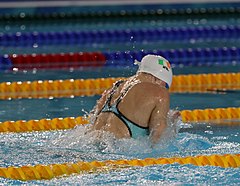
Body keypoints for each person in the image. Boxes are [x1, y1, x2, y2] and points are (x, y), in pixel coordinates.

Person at [89, 54, 180, 144]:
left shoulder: (113, 89)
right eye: (165, 85)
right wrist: (172, 127)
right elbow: (158, 139)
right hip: (120, 151)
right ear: (159, 79)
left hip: (92, 144)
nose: (163, 88)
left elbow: (90, 127)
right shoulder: (160, 93)